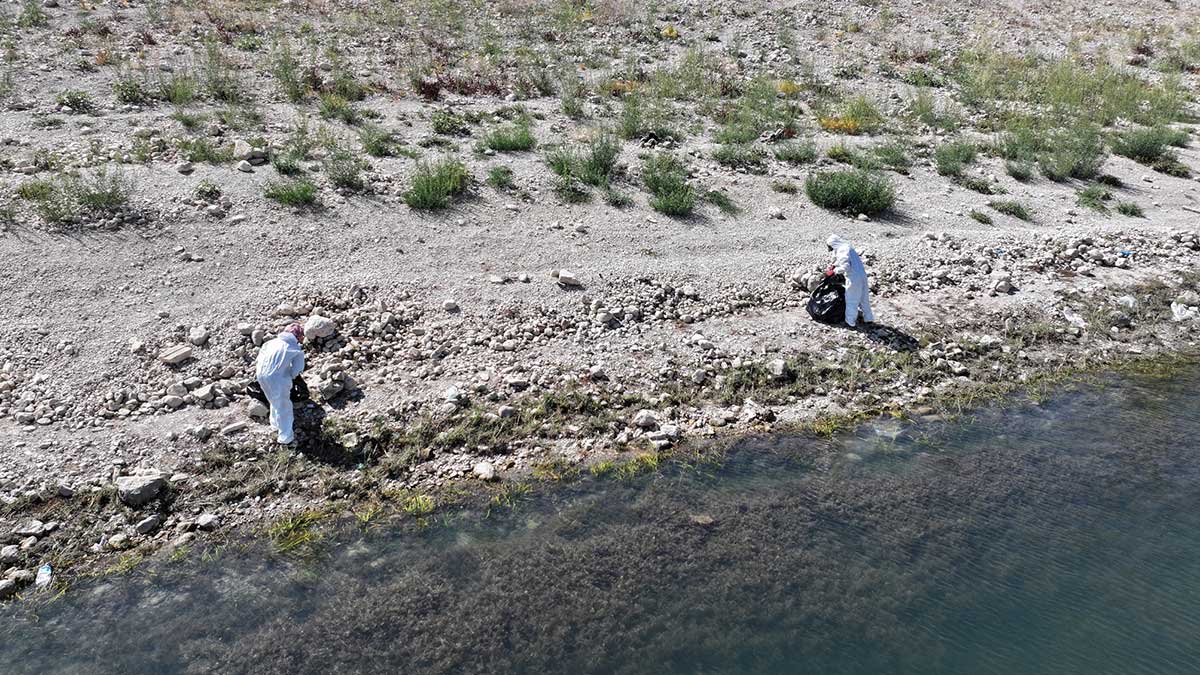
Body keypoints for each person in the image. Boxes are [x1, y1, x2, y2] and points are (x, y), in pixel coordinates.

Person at [255, 323, 306, 444]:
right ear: (298, 336)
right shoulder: (294, 348)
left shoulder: (270, 343)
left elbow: (259, 358)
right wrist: (289, 376)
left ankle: (275, 425)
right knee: (284, 407)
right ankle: (285, 438)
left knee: (273, 400)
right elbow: (297, 370)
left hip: (261, 375)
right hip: (278, 378)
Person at [826, 234, 874, 328]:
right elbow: (847, 260)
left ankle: (850, 322)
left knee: (851, 300)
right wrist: (834, 265)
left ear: (833, 244)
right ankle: (868, 319)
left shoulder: (841, 250)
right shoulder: (847, 247)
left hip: (854, 278)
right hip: (862, 275)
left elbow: (846, 266)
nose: (831, 249)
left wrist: (834, 271)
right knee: (864, 298)